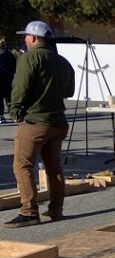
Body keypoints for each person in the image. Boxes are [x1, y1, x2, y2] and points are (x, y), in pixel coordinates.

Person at [3, 21, 75, 228]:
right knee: (54, 167)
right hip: (58, 121)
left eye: (26, 36)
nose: (24, 40)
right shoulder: (62, 61)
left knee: (22, 165)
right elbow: (69, 91)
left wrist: (15, 110)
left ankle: (28, 211)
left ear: (33, 38)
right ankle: (56, 209)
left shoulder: (29, 58)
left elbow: (20, 87)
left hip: (36, 121)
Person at [0, 38, 17, 123]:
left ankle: (1, 116)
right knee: (9, 98)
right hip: (9, 78)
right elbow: (14, 66)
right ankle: (13, 115)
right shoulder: (10, 54)